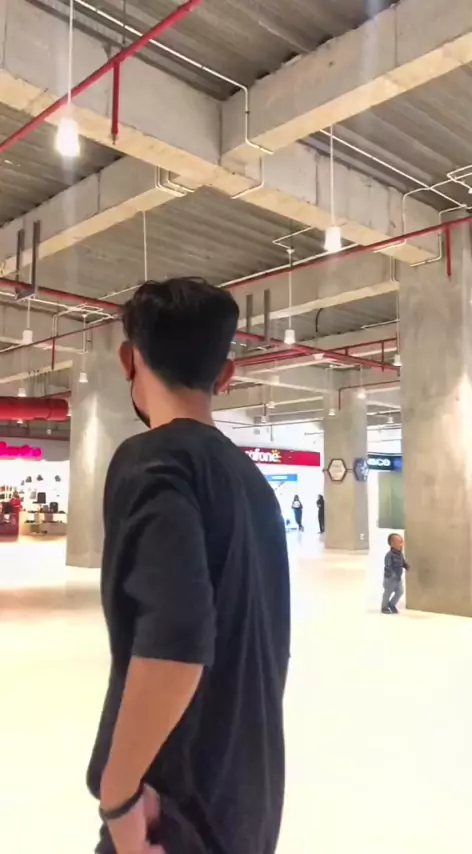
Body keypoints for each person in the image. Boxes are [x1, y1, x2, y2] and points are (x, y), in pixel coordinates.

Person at [88, 278, 291, 854]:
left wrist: (118, 796)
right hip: (248, 803)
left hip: (170, 812)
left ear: (129, 359)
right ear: (224, 375)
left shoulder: (153, 461)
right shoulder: (254, 486)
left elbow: (175, 641)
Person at [381, 532, 410, 614]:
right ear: (392, 544)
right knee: (387, 593)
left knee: (400, 592)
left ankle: (392, 604)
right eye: (399, 542)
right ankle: (384, 607)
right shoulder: (389, 555)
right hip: (390, 579)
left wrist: (406, 566)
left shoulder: (400, 554)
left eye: (402, 542)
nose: (401, 544)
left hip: (398, 578)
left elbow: (402, 562)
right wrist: (392, 574)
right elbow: (388, 566)